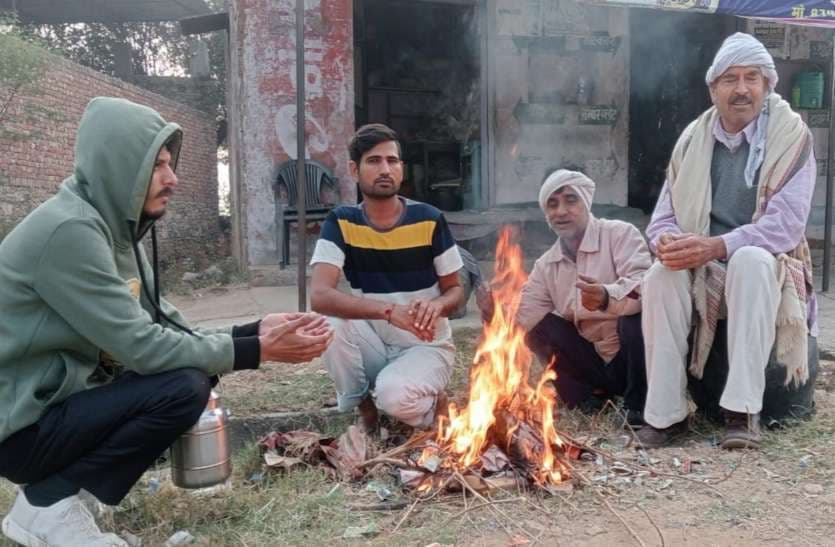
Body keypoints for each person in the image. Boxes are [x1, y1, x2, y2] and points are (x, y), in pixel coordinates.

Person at [0, 97, 333, 546]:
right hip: (19, 427)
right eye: (157, 165)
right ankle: (45, 506)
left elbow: (168, 327)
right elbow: (144, 348)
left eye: (168, 164)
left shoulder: (117, 232)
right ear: (119, 166)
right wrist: (257, 351)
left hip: (55, 407)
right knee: (181, 388)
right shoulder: (70, 231)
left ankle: (63, 494)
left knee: (193, 372)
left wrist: (253, 330)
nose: (172, 179)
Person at [637, 33, 816, 450]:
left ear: (767, 84)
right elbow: (664, 216)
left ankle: (742, 412)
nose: (741, 89)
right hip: (704, 262)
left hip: (767, 261)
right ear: (713, 89)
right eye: (730, 79)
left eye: (751, 77)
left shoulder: (791, 136)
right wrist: (667, 244)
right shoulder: (693, 139)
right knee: (660, 277)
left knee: (750, 260)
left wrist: (717, 246)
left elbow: (785, 227)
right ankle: (666, 416)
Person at [310, 123, 465, 432]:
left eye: (392, 161)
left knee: (394, 398)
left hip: (425, 346)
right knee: (327, 324)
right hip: (375, 342)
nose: (385, 169)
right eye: (374, 160)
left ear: (402, 169)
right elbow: (319, 296)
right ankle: (365, 409)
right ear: (355, 170)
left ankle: (431, 405)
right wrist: (389, 313)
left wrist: (438, 306)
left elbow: (456, 290)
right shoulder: (342, 222)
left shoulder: (429, 219)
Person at [513, 170, 651, 426]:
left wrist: (607, 296)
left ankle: (638, 406)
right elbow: (523, 317)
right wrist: (494, 315)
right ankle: (586, 396)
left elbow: (645, 286)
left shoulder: (620, 235)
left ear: (587, 203)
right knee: (539, 329)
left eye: (570, 200)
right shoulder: (547, 265)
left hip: (630, 358)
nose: (561, 211)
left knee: (636, 317)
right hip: (592, 362)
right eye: (552, 204)